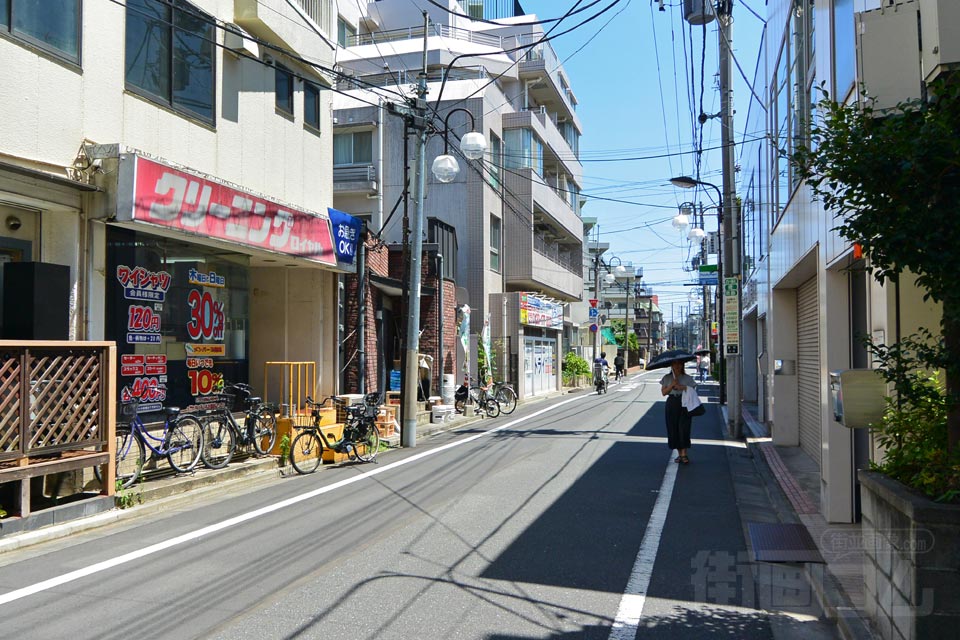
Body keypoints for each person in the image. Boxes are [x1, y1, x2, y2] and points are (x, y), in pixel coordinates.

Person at [661, 359, 697, 464]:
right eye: (675, 364)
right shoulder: (667, 378)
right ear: (671, 365)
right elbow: (664, 392)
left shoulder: (687, 378)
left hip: (685, 403)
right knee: (673, 428)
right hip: (672, 403)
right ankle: (679, 454)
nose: (677, 366)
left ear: (682, 365)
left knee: (684, 427)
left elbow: (693, 390)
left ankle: (684, 454)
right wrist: (672, 385)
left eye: (679, 364)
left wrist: (682, 387)